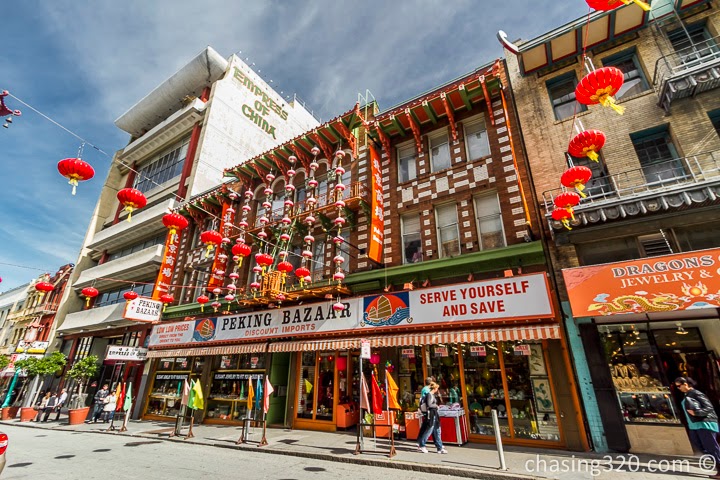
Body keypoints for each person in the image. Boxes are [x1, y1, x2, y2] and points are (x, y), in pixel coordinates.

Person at [675, 377, 720, 480]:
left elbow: (709, 407)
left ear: (685, 384)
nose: (678, 388)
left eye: (679, 386)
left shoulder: (696, 393)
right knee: (702, 447)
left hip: (704, 424)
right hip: (694, 426)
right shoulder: (687, 395)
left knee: (711, 448)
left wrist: (696, 413)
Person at [417, 382, 448, 454]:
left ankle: (439, 447)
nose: (437, 390)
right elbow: (429, 404)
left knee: (437, 430)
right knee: (429, 430)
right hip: (431, 414)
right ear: (435, 388)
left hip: (434, 414)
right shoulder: (429, 395)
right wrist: (436, 406)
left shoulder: (432, 395)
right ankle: (422, 444)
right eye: (437, 388)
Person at [417, 377, 435, 446]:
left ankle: (420, 441)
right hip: (427, 410)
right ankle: (421, 442)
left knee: (426, 426)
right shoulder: (427, 390)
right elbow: (428, 399)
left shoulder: (425, 389)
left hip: (426, 409)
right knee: (427, 426)